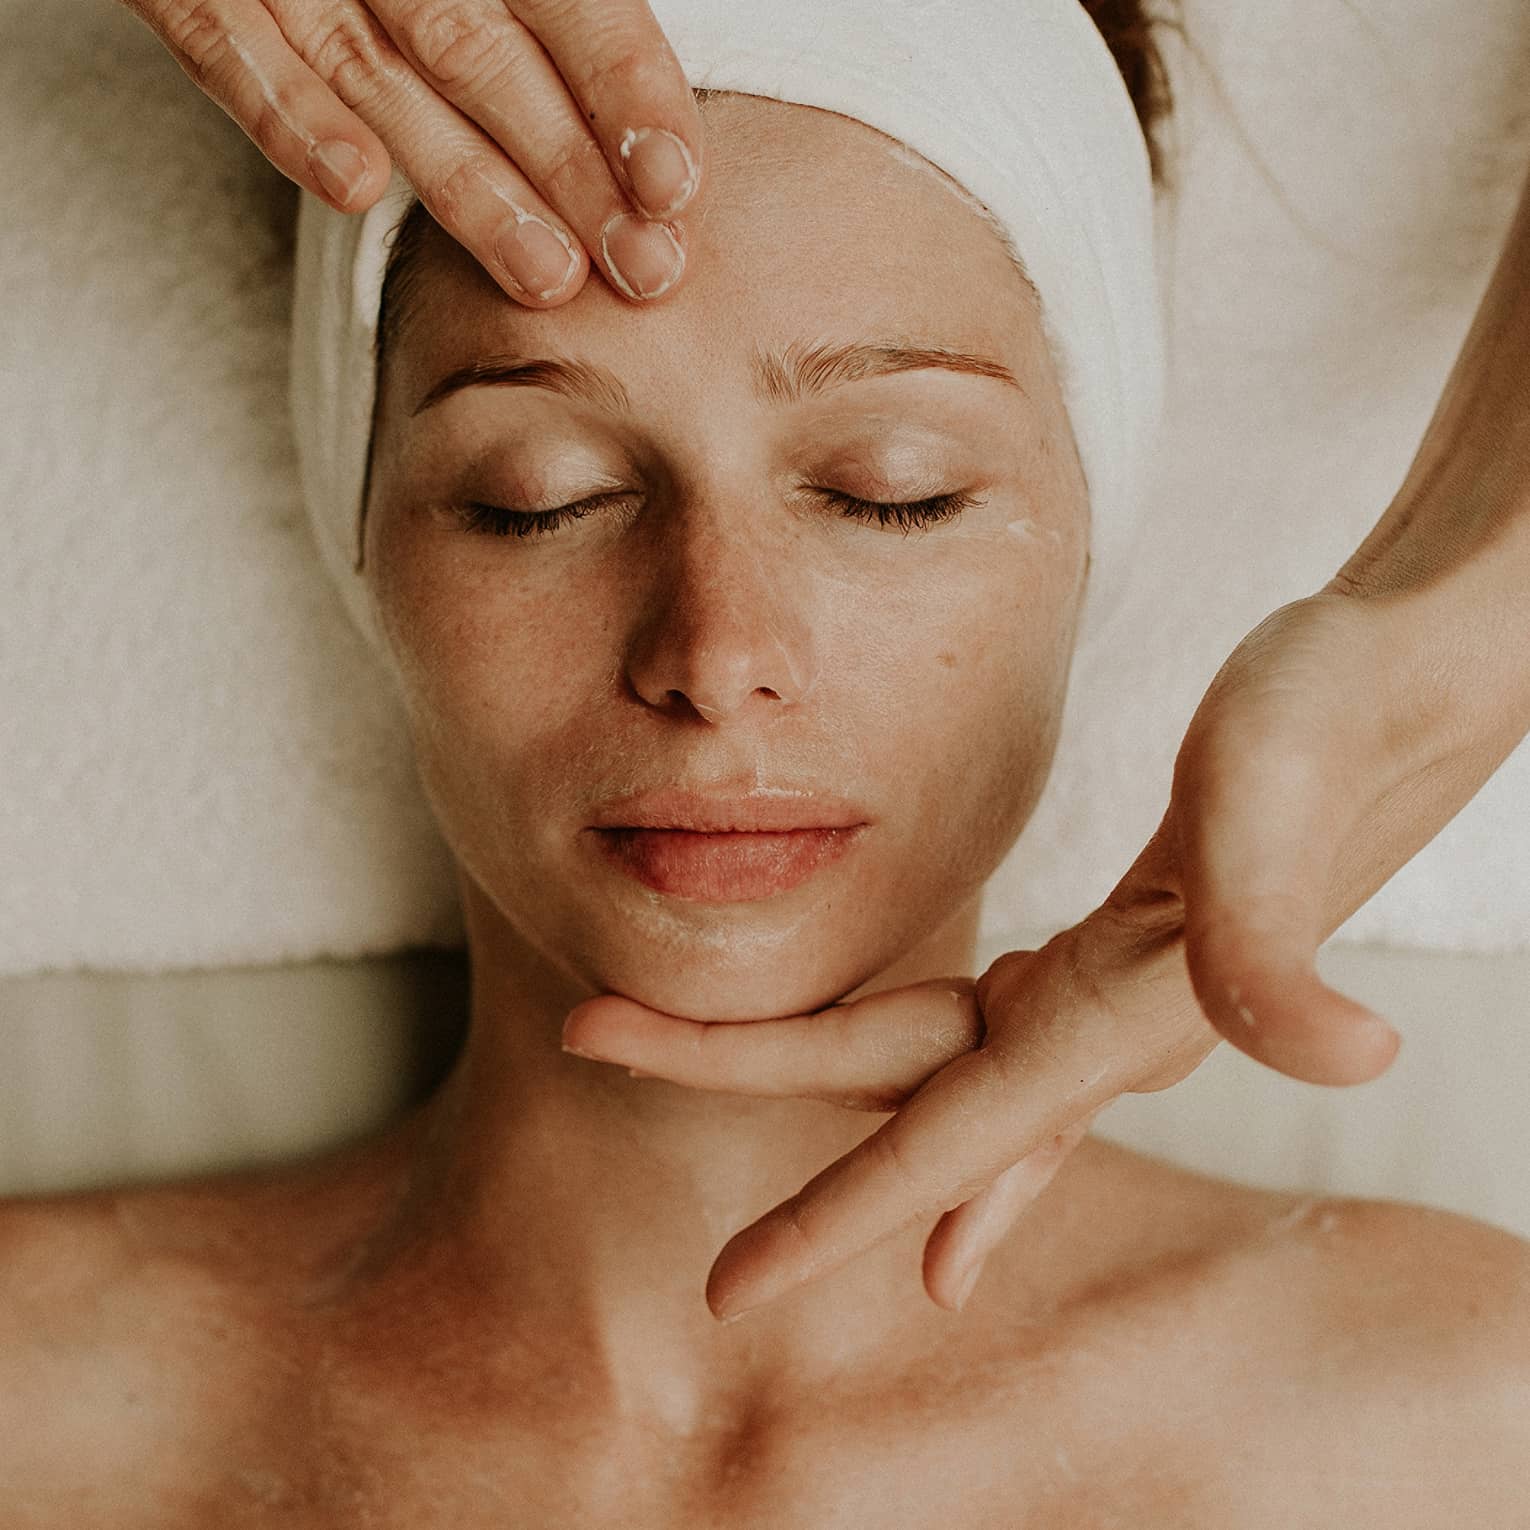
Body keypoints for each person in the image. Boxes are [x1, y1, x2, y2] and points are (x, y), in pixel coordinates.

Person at [6, 7, 1530, 1521]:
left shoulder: (1448, 1413)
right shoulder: (45, 1402)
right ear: (366, 541)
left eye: (892, 493)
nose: (715, 648)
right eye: (541, 498)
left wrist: (1436, 653)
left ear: (1086, 532)